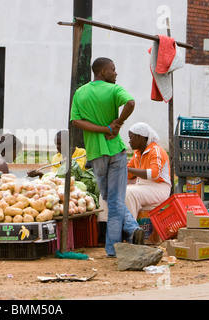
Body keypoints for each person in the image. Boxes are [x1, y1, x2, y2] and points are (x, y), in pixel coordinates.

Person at [70, 57, 144, 257]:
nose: (116, 73)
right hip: (116, 151)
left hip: (95, 153)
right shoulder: (114, 90)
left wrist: (103, 128)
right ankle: (116, 245)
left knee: (111, 199)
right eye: (113, 69)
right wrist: (117, 124)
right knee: (115, 201)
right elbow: (130, 102)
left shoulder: (80, 92)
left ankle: (125, 235)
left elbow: (76, 121)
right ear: (103, 72)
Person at [126, 122, 171, 219]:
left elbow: (154, 174)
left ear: (140, 137)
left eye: (131, 138)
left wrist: (127, 169)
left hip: (159, 188)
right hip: (142, 187)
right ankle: (104, 225)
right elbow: (128, 174)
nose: (129, 141)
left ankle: (130, 230)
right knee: (110, 192)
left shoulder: (156, 150)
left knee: (127, 193)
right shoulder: (137, 153)